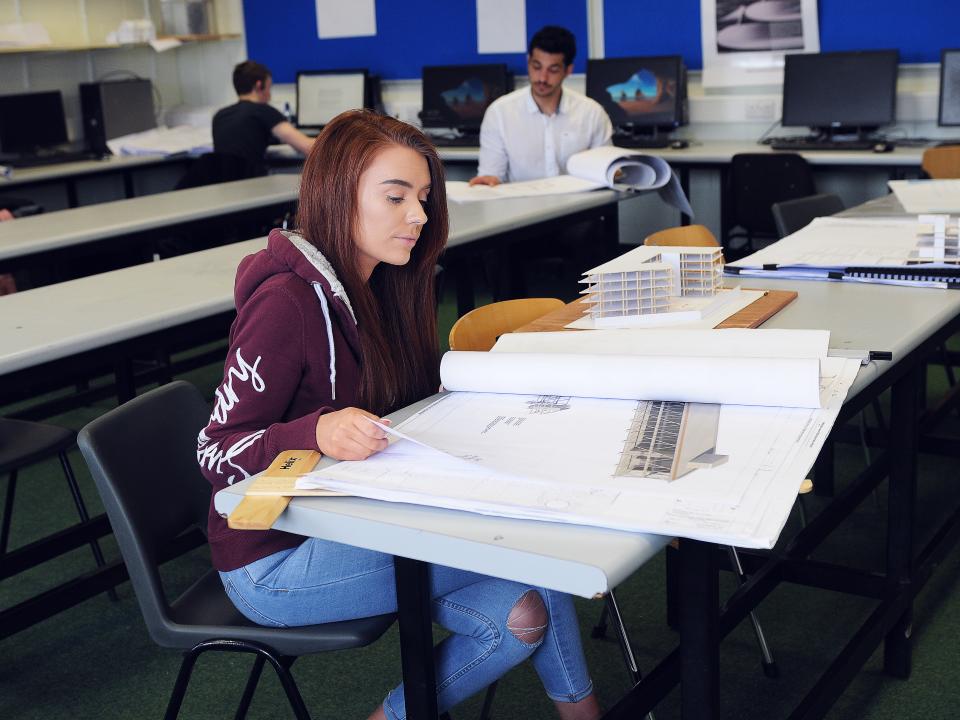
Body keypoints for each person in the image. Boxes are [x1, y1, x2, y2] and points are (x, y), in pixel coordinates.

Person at [197, 110, 602, 720]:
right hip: (276, 557)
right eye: (396, 197)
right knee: (528, 547)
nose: (418, 215)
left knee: (521, 616)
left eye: (423, 198)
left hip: (360, 516)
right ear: (338, 192)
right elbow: (214, 450)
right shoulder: (285, 303)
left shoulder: (386, 283)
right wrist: (315, 430)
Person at [470, 26, 612, 186]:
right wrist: (489, 180)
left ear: (568, 70)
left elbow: (605, 172)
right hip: (521, 206)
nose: (542, 78)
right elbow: (492, 174)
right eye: (537, 67)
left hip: (578, 205)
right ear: (528, 61)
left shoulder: (592, 113)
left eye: (553, 70)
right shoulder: (499, 113)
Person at [212, 60, 315, 176]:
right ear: (259, 85)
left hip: (224, 188)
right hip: (253, 186)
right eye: (269, 87)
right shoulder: (263, 111)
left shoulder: (220, 116)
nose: (270, 95)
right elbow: (307, 147)